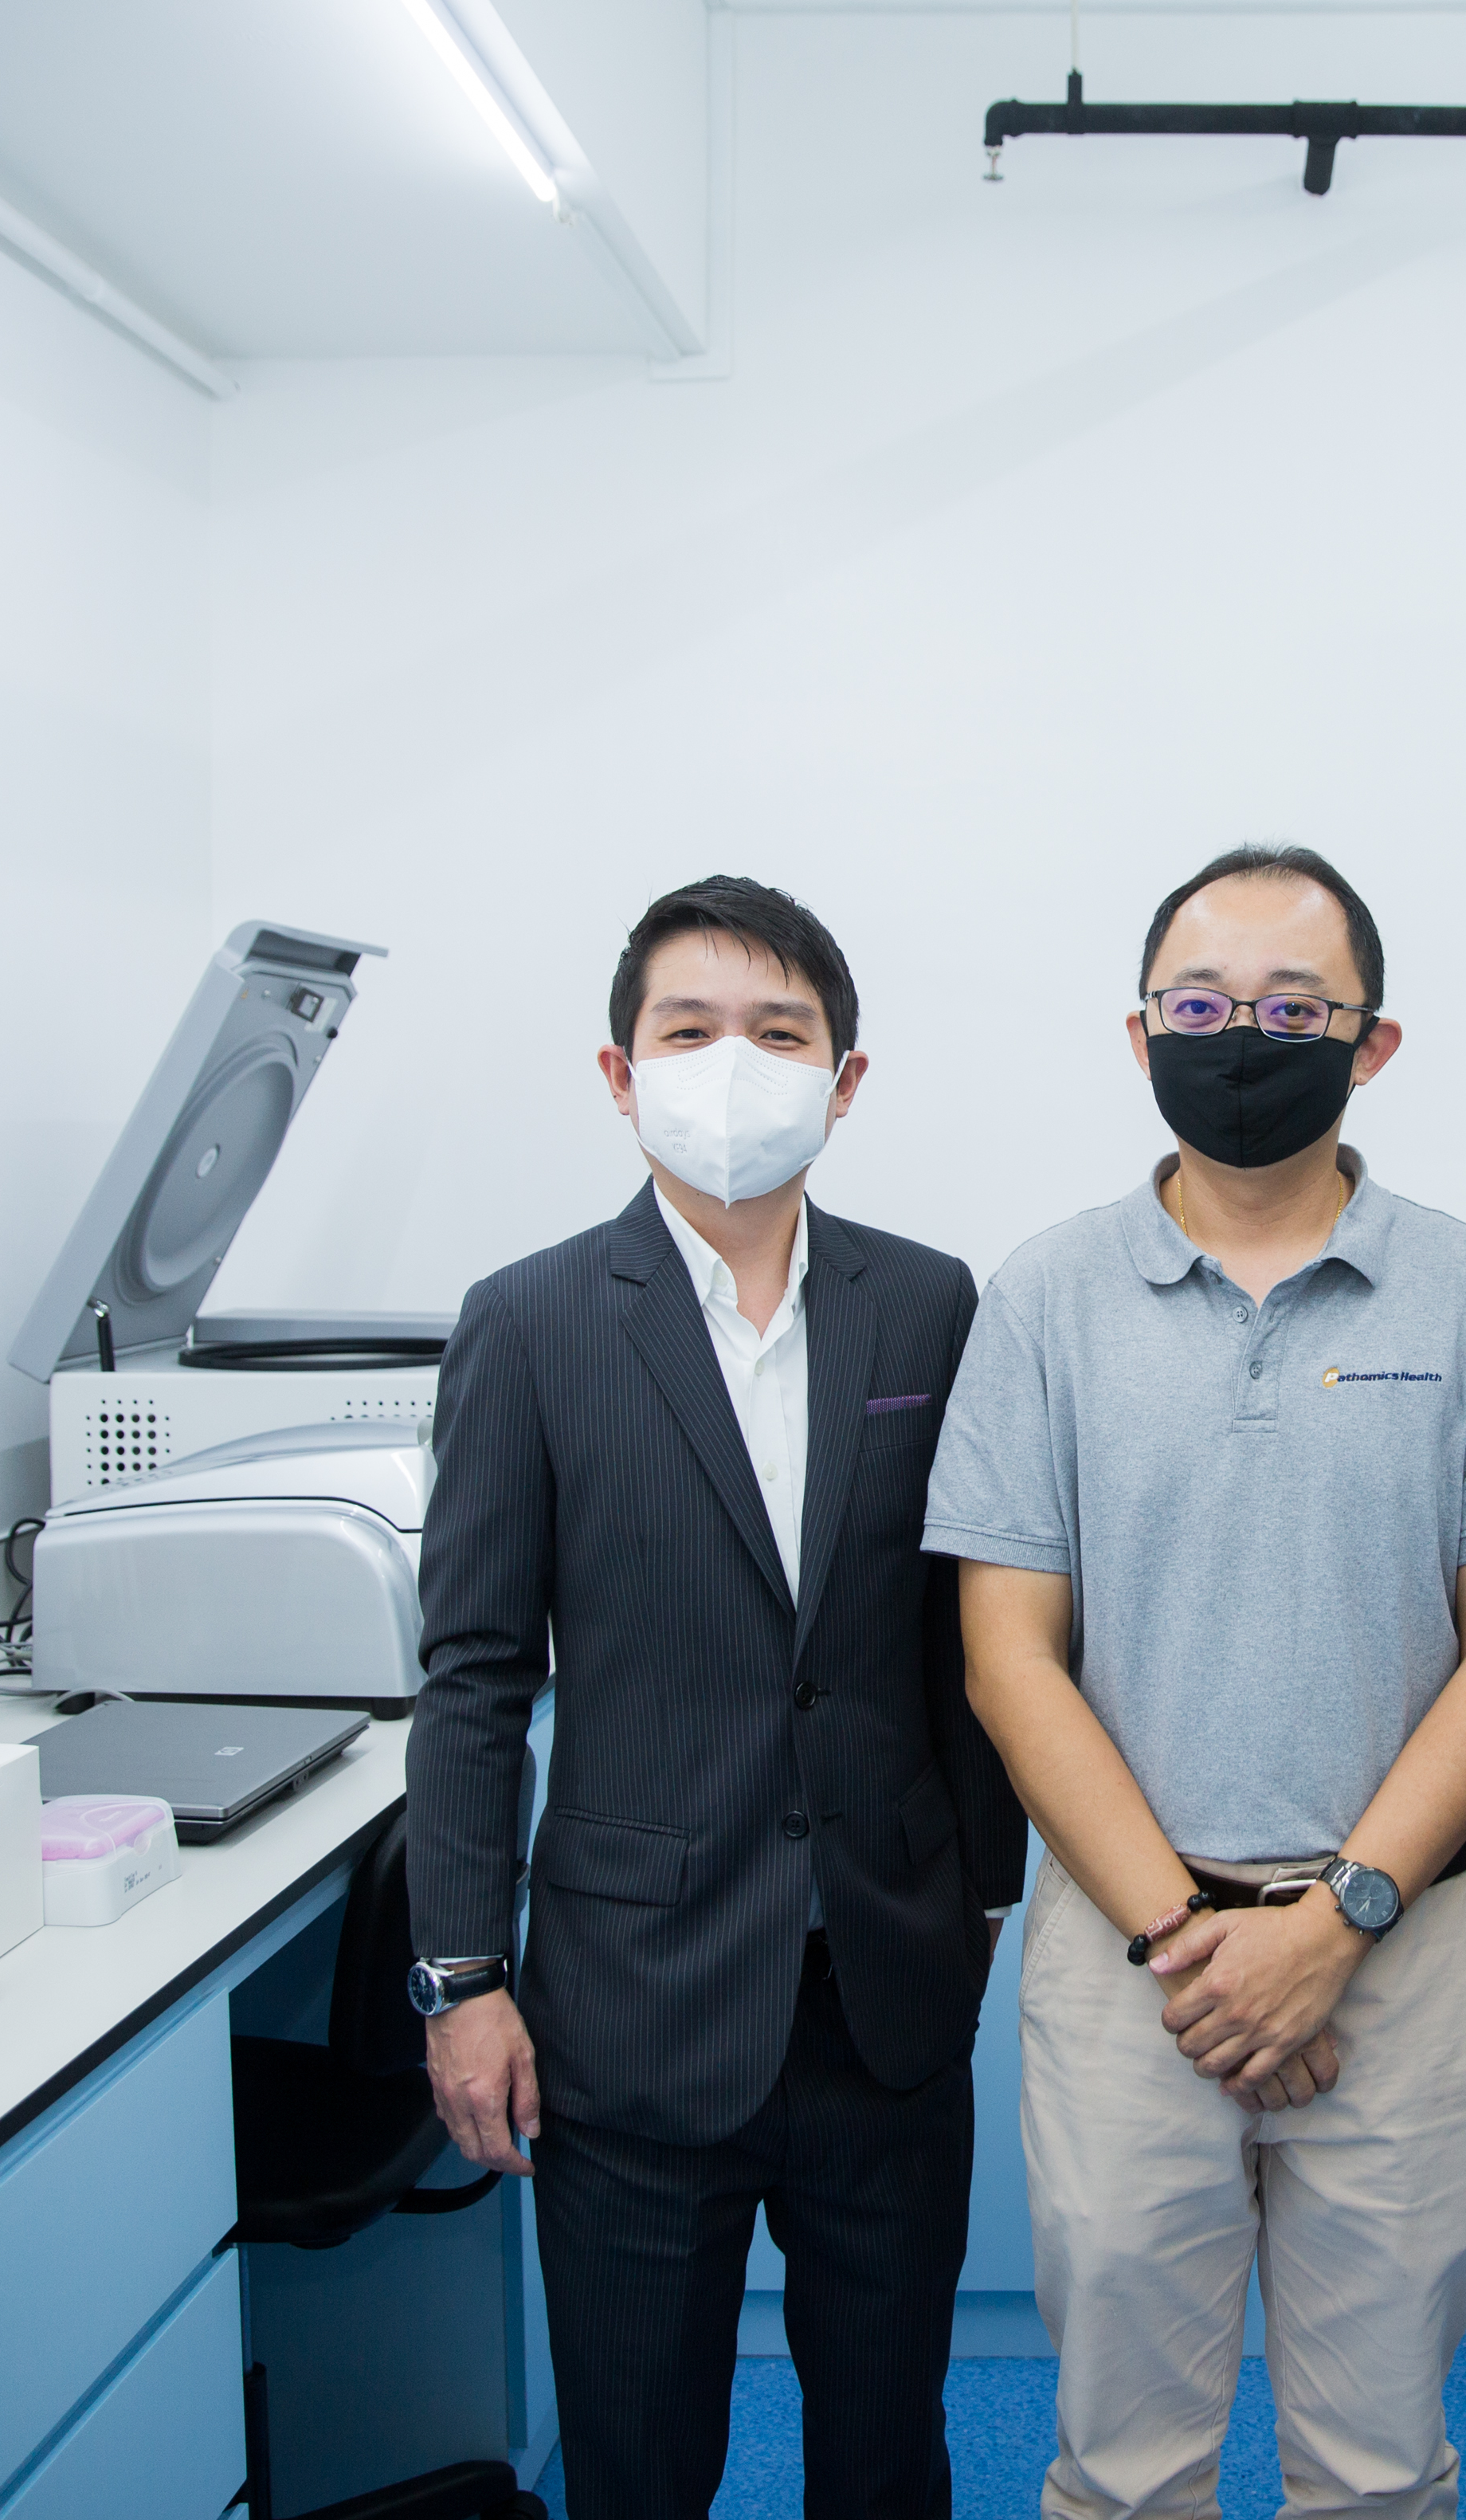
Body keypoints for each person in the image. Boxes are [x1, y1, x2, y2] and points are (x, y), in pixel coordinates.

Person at [922, 844, 1466, 2520]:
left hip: (1399, 1951)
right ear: (1138, 1031)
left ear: (1371, 1044)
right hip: (1126, 1963)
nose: (1244, 1036)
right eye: (1202, 1005)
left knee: (1377, 2470)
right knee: (1123, 2472)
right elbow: (1010, 1663)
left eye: (1294, 1007)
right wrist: (1185, 1942)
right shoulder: (1041, 1301)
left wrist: (1333, 1923)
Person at [405, 876, 1026, 2520]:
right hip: (628, 2008)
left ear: (844, 1077)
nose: (732, 1067)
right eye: (688, 1032)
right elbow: (472, 1676)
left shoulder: (930, 1305)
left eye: (779, 1033)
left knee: (887, 2452)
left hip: (881, 1997)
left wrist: (977, 1891)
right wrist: (460, 1973)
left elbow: (965, 1641)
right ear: (619, 1074)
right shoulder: (528, 1324)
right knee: (637, 2463)